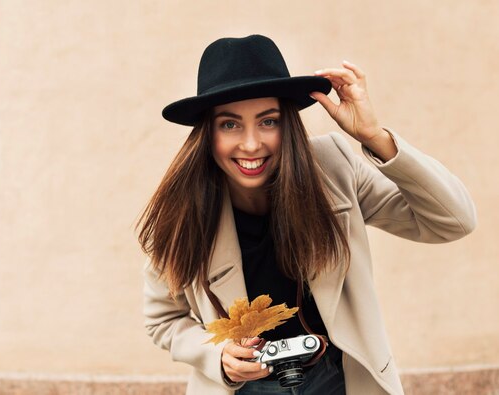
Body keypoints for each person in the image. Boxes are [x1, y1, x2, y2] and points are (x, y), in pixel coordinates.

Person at [138, 34, 476, 395]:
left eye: (268, 121)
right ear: (207, 132)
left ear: (288, 123)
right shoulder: (180, 210)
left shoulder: (333, 167)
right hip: (242, 388)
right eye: (230, 124)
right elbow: (163, 321)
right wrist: (218, 355)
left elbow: (453, 220)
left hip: (340, 378)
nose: (251, 144)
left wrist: (375, 137)